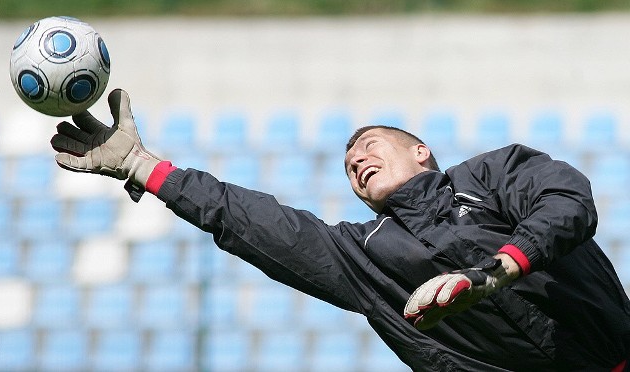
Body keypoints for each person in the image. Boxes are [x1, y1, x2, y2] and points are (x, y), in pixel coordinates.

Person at [51, 89, 630, 371]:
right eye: (349, 166)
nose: (356, 161)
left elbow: (567, 203)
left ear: (421, 151)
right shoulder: (366, 255)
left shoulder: (492, 174)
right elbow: (257, 223)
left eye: (369, 148)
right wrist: (145, 168)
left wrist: (495, 271)